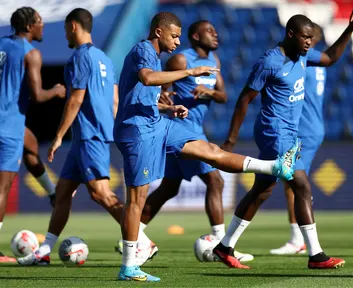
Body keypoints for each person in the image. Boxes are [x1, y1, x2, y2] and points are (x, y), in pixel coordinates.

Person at [114, 12, 299, 282]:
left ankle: (275, 167)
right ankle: (128, 267)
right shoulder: (144, 50)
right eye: (174, 36)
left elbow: (141, 95)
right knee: (137, 200)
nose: (177, 42)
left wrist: (168, 107)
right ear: (158, 32)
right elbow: (146, 78)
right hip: (137, 132)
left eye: (179, 36)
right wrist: (190, 71)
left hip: (158, 122)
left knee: (210, 153)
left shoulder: (157, 55)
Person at [213, 4, 353, 270]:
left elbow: (330, 58)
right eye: (305, 37)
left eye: (311, 39)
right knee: (302, 185)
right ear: (291, 34)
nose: (310, 42)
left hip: (289, 134)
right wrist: (232, 139)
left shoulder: (302, 56)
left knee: (262, 190)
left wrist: (350, 28)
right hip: (274, 132)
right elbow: (244, 99)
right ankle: (316, 255)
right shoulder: (270, 61)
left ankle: (225, 246)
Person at [17, 8, 153, 266]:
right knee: (63, 192)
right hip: (91, 135)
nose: (66, 33)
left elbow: (75, 99)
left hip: (89, 135)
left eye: (67, 28)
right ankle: (44, 250)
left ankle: (143, 241)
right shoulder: (104, 58)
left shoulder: (79, 57)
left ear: (74, 26)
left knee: (101, 193)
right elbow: (114, 99)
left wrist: (58, 136)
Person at [138, 20, 253, 262]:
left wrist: (208, 91)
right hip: (180, 128)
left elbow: (223, 96)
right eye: (210, 31)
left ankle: (134, 234)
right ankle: (224, 245)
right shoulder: (181, 60)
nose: (216, 35)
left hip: (194, 128)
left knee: (169, 188)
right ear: (195, 36)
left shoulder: (214, 62)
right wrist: (168, 98)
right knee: (215, 180)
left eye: (216, 30)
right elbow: (161, 90)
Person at [0, 6, 66, 263]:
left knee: (30, 147)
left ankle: (53, 193)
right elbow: (39, 95)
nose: (44, 26)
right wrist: (57, 90)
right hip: (7, 123)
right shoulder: (31, 53)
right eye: (40, 22)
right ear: (30, 26)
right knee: (2, 185)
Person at [270, 23, 326, 255]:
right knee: (291, 180)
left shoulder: (303, 62)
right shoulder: (318, 64)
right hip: (312, 127)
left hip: (304, 129)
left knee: (294, 181)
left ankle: (298, 239)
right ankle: (299, 238)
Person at [23, 127, 57, 206]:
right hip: (4, 121)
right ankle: (52, 191)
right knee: (1, 188)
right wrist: (59, 137)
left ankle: (53, 192)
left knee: (0, 187)